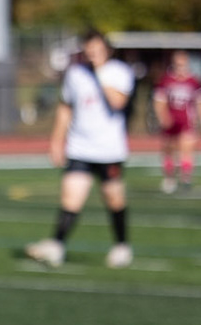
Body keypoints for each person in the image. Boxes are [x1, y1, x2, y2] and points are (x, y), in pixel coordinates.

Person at [25, 29, 134, 269]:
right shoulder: (75, 74)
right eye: (89, 48)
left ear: (106, 49)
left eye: (97, 48)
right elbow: (66, 108)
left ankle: (121, 245)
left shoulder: (119, 72)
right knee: (70, 198)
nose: (92, 52)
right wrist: (56, 141)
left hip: (109, 149)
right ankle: (56, 245)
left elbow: (118, 102)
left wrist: (99, 74)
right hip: (80, 147)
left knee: (114, 198)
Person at [152, 50, 201, 193]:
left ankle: (186, 177)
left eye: (183, 64)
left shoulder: (194, 81)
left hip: (187, 121)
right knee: (169, 149)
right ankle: (169, 178)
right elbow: (159, 100)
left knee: (187, 148)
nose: (180, 68)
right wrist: (163, 116)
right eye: (177, 64)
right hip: (171, 120)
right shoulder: (166, 80)